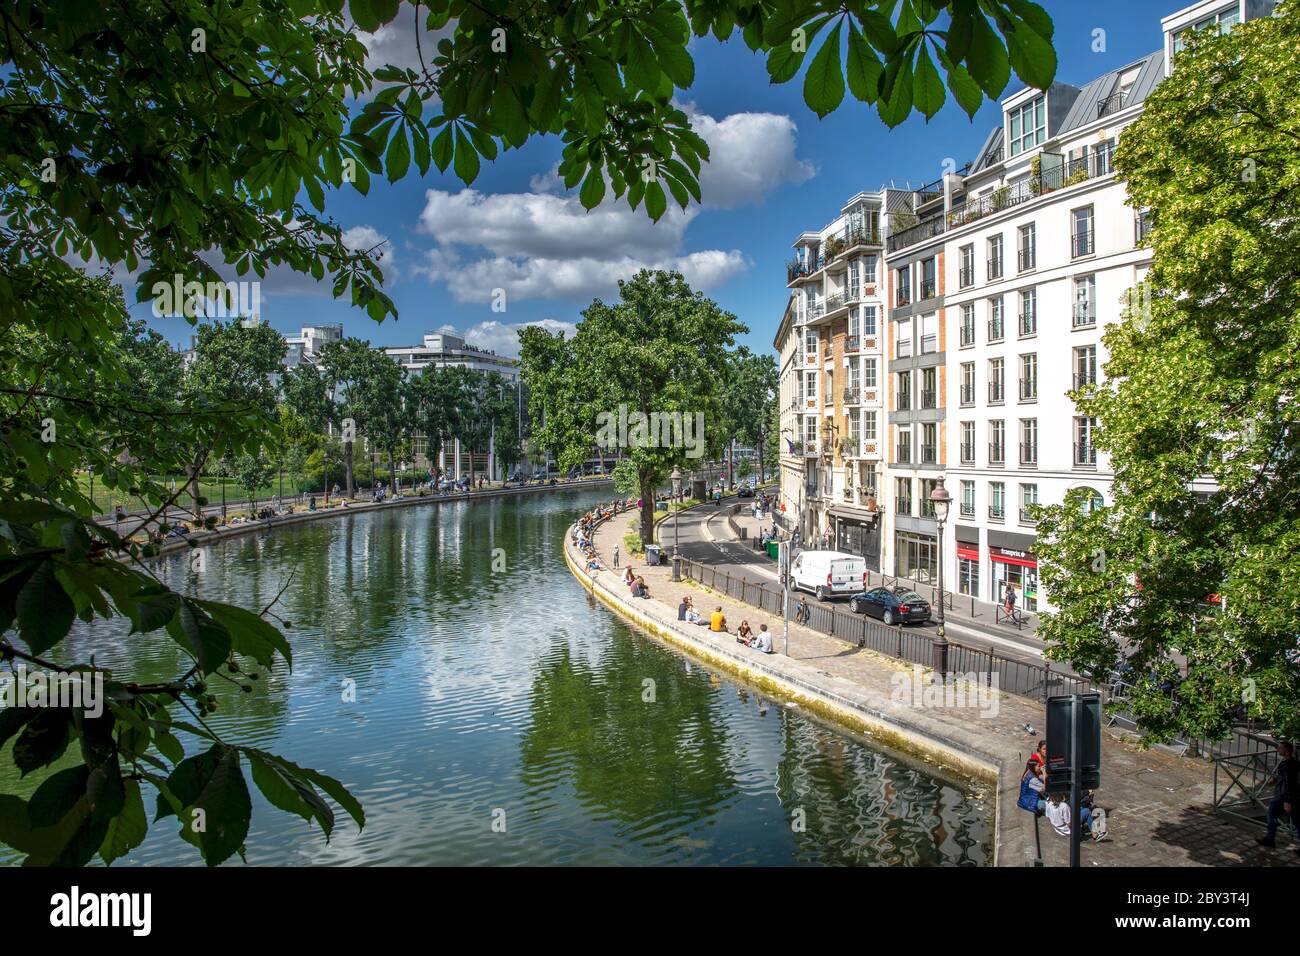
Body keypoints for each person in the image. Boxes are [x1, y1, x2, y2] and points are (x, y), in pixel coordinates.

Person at [1257, 740, 1300, 851]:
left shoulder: (1288, 765)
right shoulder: (1290, 763)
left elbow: (1289, 783)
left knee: (1272, 816)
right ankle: (1269, 839)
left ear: (1286, 751)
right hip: (1288, 797)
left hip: (1283, 797)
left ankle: (1270, 839)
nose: (1277, 749)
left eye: (1280, 748)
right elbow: (1280, 778)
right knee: (1296, 821)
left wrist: (1287, 801)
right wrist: (1269, 782)